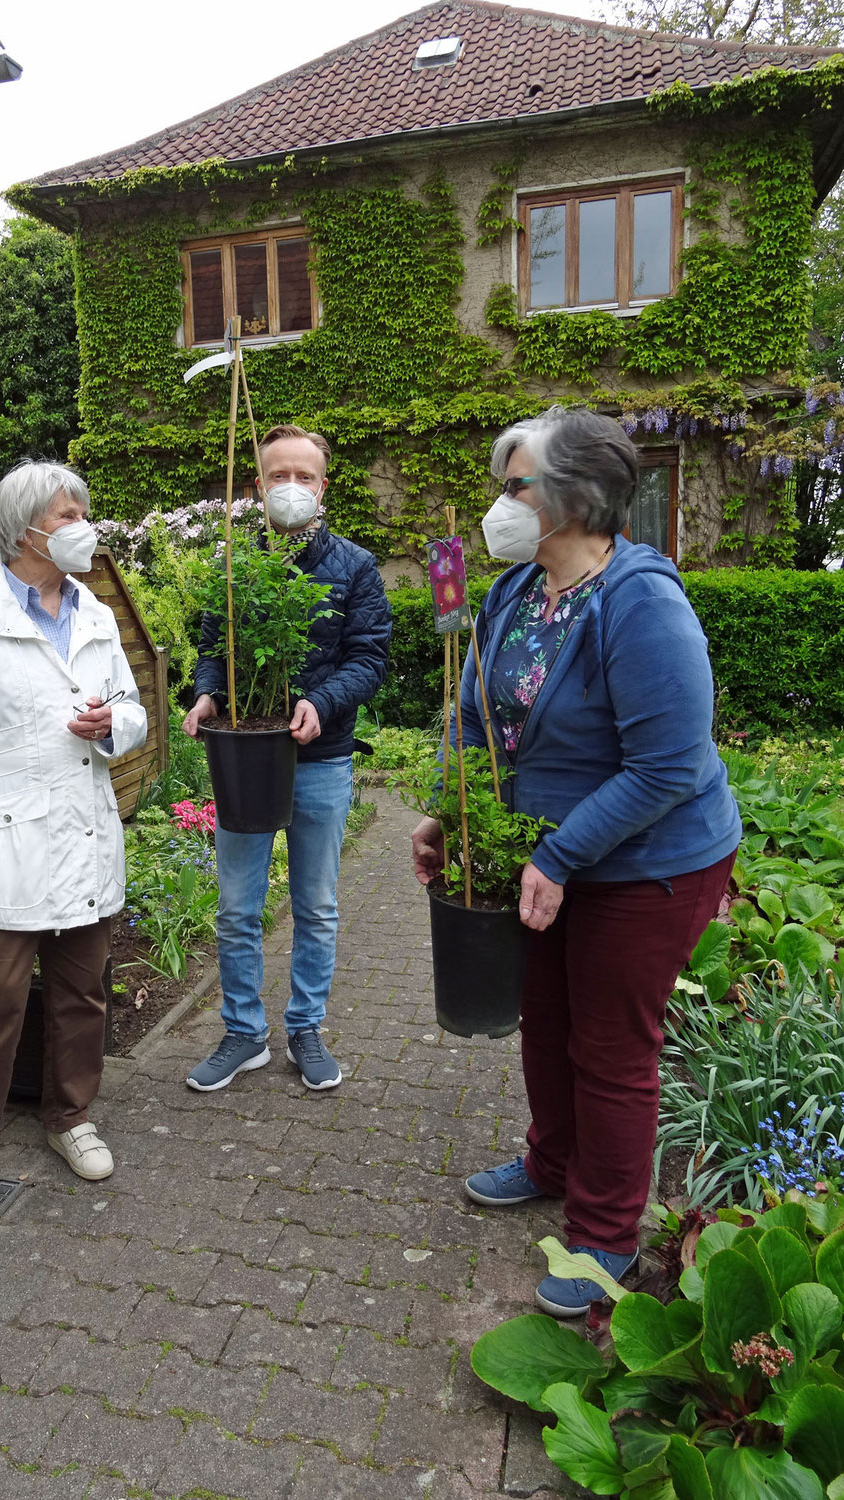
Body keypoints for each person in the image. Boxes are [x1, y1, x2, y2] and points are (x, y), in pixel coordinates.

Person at [410, 405, 740, 1317]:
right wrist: (453, 809)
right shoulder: (518, 589)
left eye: (514, 486)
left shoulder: (640, 601)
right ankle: (550, 1162)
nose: (499, 503)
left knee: (609, 1049)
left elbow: (669, 766)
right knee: (545, 1016)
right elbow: (474, 710)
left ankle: (604, 1237)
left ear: (574, 498)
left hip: (649, 866)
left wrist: (555, 854)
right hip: (551, 859)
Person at [0, 460, 147, 1214]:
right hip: (2, 850)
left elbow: (133, 708)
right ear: (23, 530)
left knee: (82, 996)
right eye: (66, 512)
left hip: (82, 834)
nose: (82, 524)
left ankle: (69, 1117)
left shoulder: (96, 614)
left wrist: (114, 724)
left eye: (83, 508)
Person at [182, 424, 392, 1093]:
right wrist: (208, 692)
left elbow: (369, 657)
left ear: (323, 486)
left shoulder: (354, 567)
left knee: (316, 905)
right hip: (245, 754)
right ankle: (242, 1033)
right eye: (279, 476)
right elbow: (212, 644)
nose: (292, 488)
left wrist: (323, 703)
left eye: (305, 476)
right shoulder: (234, 565)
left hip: (322, 757)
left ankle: (305, 1027)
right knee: (238, 906)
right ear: (257, 486)